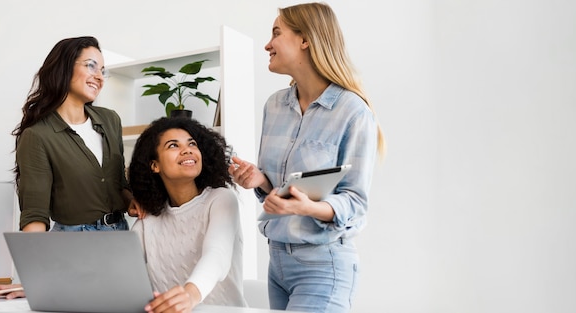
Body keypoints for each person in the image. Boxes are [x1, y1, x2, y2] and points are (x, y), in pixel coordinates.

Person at [228, 2, 385, 313]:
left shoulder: (352, 111)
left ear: (306, 39)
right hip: (277, 263)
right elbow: (281, 190)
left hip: (323, 265)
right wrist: (261, 180)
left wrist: (309, 207)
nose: (267, 44)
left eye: (276, 33)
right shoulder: (274, 106)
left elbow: (355, 204)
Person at [12, 36, 135, 233]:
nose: (99, 77)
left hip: (120, 232)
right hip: (75, 239)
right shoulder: (38, 136)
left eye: (103, 71)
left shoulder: (110, 120)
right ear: (65, 67)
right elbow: (35, 213)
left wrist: (132, 202)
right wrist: (35, 259)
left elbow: (119, 183)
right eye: (91, 66)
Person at [128, 117, 246, 312]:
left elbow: (217, 255)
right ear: (154, 165)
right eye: (173, 145)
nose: (187, 150)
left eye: (192, 144)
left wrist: (190, 295)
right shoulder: (148, 219)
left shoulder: (221, 199)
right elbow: (124, 268)